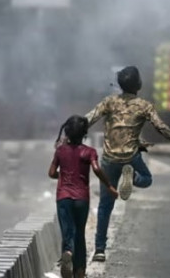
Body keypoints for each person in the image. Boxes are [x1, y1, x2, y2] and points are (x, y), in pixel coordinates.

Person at [84, 66, 170, 262]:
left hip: (109, 159)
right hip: (131, 156)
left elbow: (88, 119)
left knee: (105, 206)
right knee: (147, 178)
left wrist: (69, 136)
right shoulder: (145, 106)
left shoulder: (109, 102)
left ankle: (100, 250)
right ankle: (134, 178)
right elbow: (162, 128)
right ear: (138, 84)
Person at [50, 115, 119, 278]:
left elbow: (51, 173)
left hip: (63, 197)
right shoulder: (89, 152)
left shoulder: (60, 151)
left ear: (67, 132)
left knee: (67, 232)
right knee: (79, 233)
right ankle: (80, 272)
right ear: (84, 134)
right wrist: (109, 186)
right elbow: (96, 169)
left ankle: (67, 252)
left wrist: (62, 175)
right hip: (82, 198)